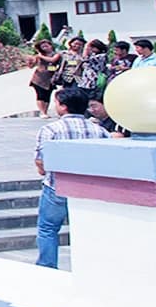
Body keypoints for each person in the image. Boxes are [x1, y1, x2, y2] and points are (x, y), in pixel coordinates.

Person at [34, 88, 109, 268]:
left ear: (64, 107)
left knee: (48, 229)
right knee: (86, 229)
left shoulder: (50, 129)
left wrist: (43, 171)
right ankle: (89, 266)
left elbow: (41, 161)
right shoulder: (99, 130)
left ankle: (47, 266)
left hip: (56, 186)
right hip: (90, 188)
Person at [28, 39, 61, 119]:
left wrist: (40, 56)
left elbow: (52, 60)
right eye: (43, 47)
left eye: (47, 46)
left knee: (47, 95)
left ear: (51, 45)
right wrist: (30, 61)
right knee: (40, 95)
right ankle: (42, 112)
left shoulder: (56, 54)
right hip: (39, 78)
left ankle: (45, 111)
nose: (45, 48)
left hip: (50, 78)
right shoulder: (38, 56)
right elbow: (31, 66)